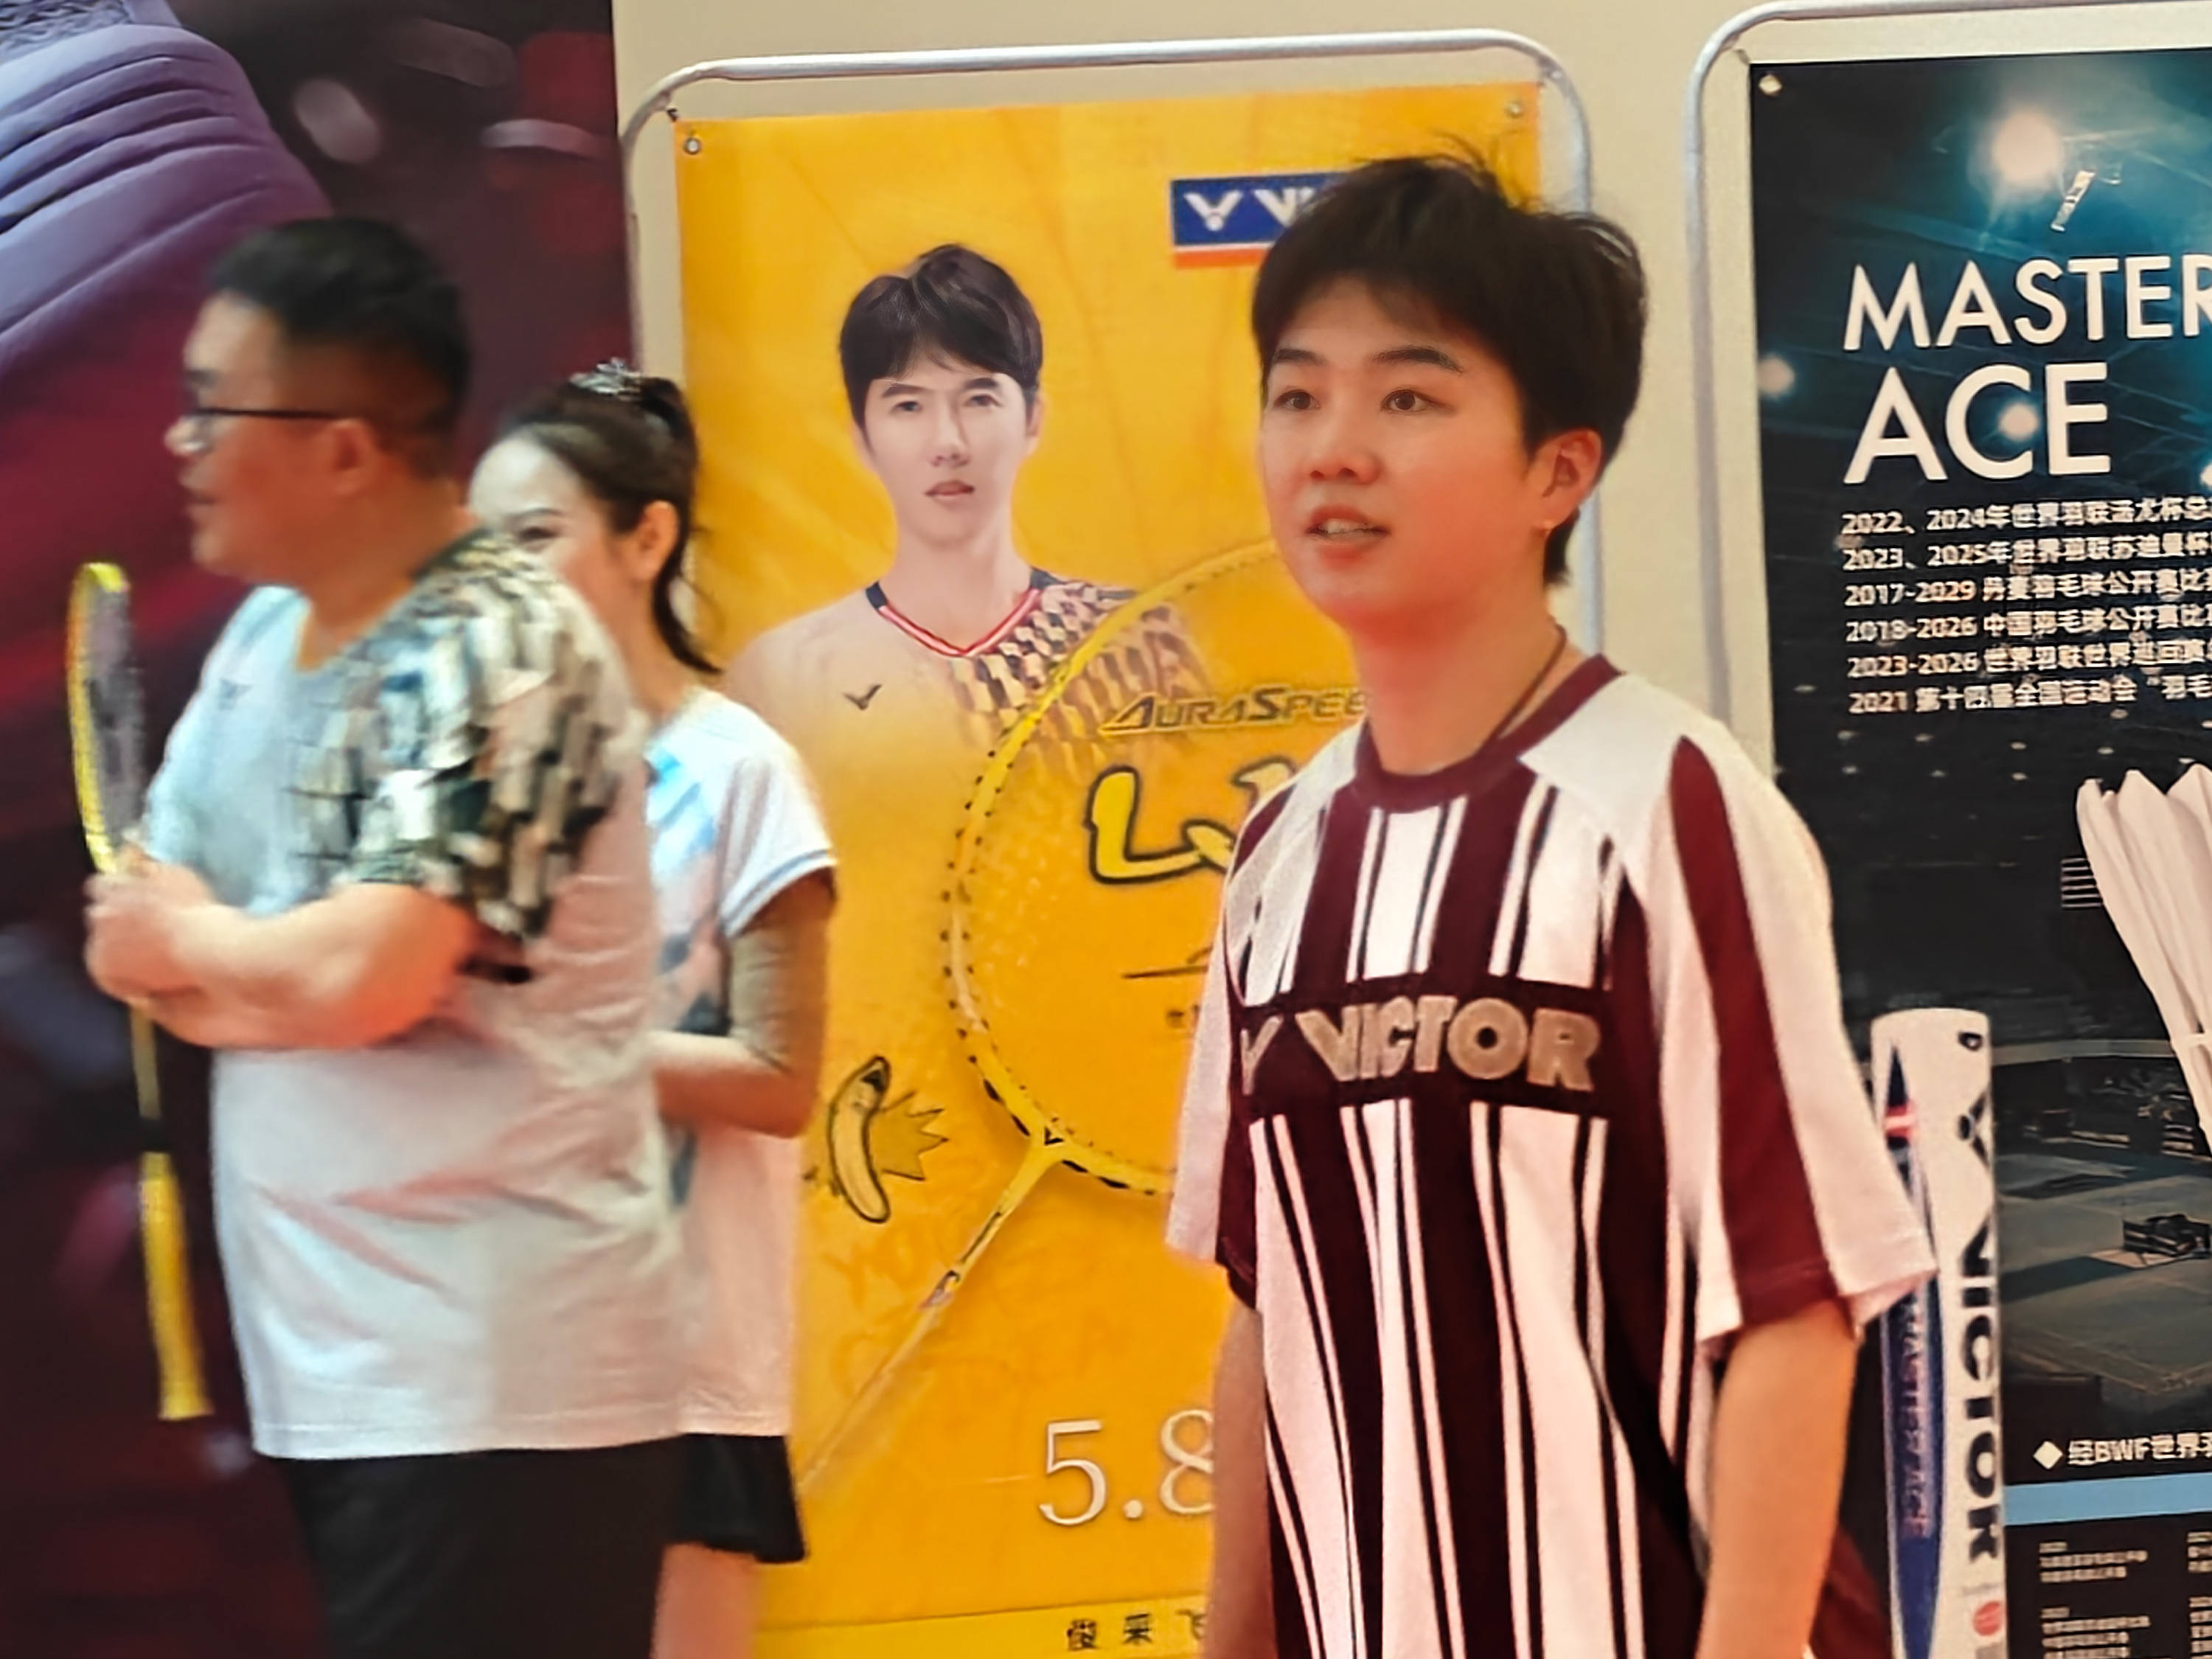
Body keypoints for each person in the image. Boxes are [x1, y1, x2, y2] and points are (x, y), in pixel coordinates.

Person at [1166, 153, 1937, 1659]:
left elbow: (1795, 1308)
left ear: (1559, 472)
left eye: (1409, 397)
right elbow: (1270, 1313)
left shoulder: (1668, 804)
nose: (1334, 451)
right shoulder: (1279, 852)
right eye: (1297, 395)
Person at [81, 218, 681, 1659]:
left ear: (343, 448)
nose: (180, 443)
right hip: (324, 1376)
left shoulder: (506, 648)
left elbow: (367, 974)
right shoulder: (255, 640)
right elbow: (130, 936)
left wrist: (228, 954)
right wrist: (262, 964)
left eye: (214, 407)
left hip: (501, 1386)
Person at [471, 364, 837, 1659]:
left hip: (678, 1372)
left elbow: (778, 1075)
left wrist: (560, 1048)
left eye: (534, 537)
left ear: (647, 538)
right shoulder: (475, 789)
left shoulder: (744, 774)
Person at [728, 242, 1195, 755]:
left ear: (1033, 419)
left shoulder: (1135, 640)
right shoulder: (786, 673)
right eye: (909, 406)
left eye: (979, 400)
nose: (947, 443)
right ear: (862, 437)